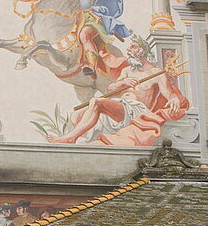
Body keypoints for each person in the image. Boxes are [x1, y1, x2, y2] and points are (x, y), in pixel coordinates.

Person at [48, 42, 187, 147]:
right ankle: (79, 138)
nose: (129, 50)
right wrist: (123, 82)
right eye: (130, 48)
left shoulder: (156, 73)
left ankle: (70, 137)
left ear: (143, 51)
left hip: (136, 110)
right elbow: (110, 89)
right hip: (120, 106)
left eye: (133, 47)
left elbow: (169, 93)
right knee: (78, 114)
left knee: (96, 102)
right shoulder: (127, 71)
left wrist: (174, 98)